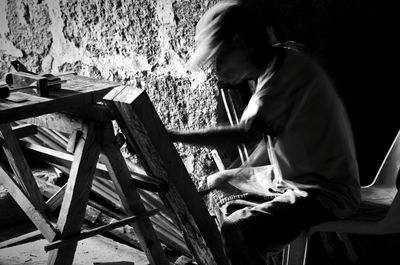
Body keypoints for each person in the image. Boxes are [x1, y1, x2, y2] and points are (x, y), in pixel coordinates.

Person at [168, 0, 361, 264]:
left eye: (221, 57)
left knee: (237, 229)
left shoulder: (283, 76)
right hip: (294, 177)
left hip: (325, 191)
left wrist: (174, 135)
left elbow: (245, 134)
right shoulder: (282, 59)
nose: (218, 69)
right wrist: (241, 171)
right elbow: (268, 136)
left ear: (241, 42)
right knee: (221, 189)